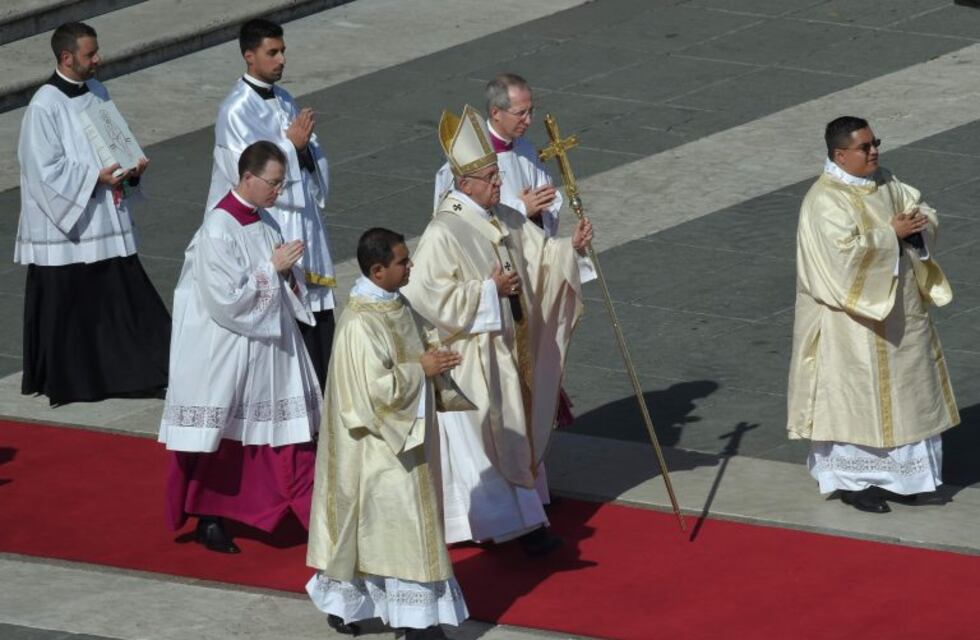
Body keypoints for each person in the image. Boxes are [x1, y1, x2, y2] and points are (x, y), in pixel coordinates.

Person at [402, 105, 594, 556]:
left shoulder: (500, 215)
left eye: (496, 176)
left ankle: (520, 519)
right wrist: (488, 292)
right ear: (464, 184)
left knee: (509, 433)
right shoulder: (443, 232)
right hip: (468, 357)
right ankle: (514, 530)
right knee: (486, 444)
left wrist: (571, 248)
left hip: (507, 346)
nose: (497, 185)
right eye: (490, 179)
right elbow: (425, 294)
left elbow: (539, 255)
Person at [787, 116, 960, 514]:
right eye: (865, 147)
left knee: (908, 393)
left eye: (875, 142)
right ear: (840, 155)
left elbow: (918, 209)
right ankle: (855, 480)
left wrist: (918, 224)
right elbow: (837, 261)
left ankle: (905, 479)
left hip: (901, 312)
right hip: (850, 322)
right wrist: (890, 236)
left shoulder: (885, 181)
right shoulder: (823, 201)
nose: (874, 151)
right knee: (855, 399)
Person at [159, 141, 321, 553]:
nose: (278, 192)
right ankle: (211, 516)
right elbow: (225, 300)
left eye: (283, 184)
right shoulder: (218, 228)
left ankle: (301, 508)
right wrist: (274, 269)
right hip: (230, 350)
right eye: (273, 183)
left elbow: (272, 276)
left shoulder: (264, 219)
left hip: (269, 346)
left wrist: (292, 275)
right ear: (247, 178)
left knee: (284, 434)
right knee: (228, 438)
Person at [306, 227, 468, 640]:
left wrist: (438, 357)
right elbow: (372, 394)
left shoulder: (397, 304)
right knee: (398, 528)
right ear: (378, 271)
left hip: (406, 438)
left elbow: (417, 346)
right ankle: (413, 623)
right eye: (402, 261)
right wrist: (423, 370)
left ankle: (395, 613)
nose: (410, 265)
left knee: (392, 530)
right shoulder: (360, 324)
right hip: (376, 446)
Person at [15, 21, 169, 405]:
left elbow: (116, 141)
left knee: (121, 297)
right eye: (90, 54)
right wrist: (93, 179)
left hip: (103, 212)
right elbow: (43, 171)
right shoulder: (44, 106)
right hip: (69, 227)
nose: (98, 59)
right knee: (73, 308)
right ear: (66, 58)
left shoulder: (98, 92)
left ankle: (138, 371)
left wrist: (130, 168)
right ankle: (78, 380)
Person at [207, 18, 336, 391]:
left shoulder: (283, 98)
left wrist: (307, 151)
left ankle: (323, 387)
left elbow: (308, 151)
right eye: (272, 53)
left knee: (317, 309)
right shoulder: (235, 110)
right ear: (250, 56)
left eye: (282, 52)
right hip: (272, 217)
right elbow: (246, 170)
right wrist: (292, 147)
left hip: (302, 215)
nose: (281, 60)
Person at [433, 73, 563, 237]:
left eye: (531, 112)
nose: (528, 120)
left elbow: (547, 199)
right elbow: (459, 216)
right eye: (520, 113)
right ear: (495, 113)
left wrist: (539, 212)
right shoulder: (468, 160)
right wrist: (522, 208)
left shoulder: (526, 149)